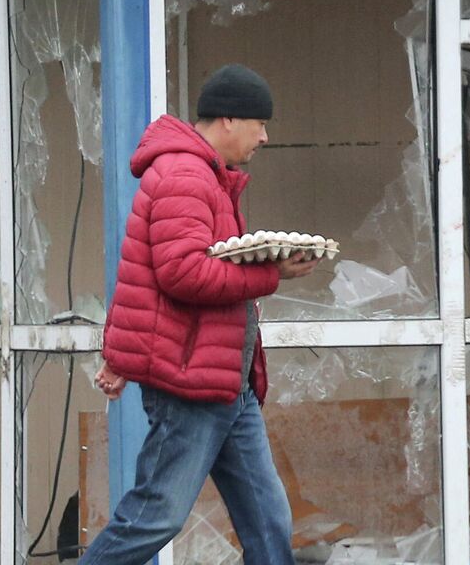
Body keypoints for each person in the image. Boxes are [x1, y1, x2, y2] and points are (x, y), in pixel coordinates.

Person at [87, 64, 318, 565]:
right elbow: (182, 274)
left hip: (225, 381)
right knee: (156, 516)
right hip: (190, 383)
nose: (265, 137)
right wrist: (273, 275)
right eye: (260, 124)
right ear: (228, 119)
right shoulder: (185, 175)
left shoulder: (204, 175)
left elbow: (142, 279)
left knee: (268, 520)